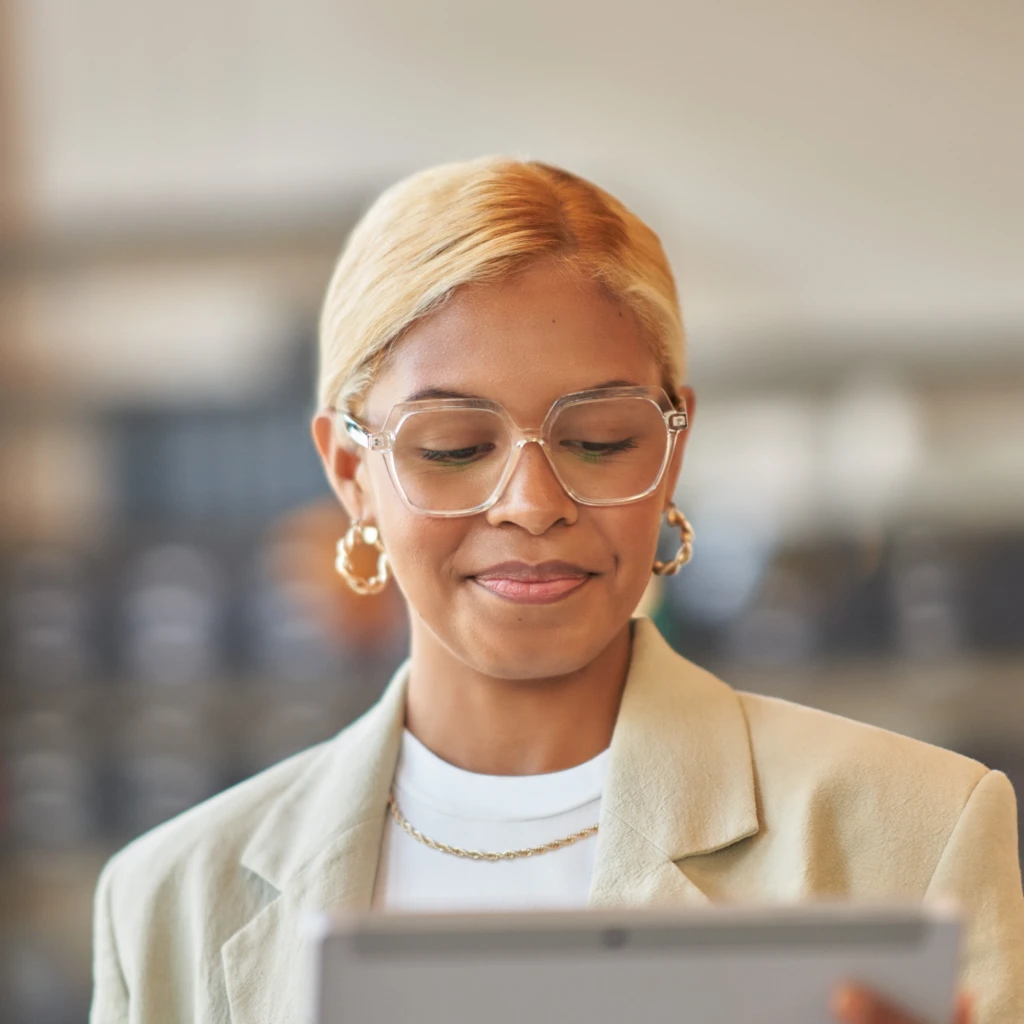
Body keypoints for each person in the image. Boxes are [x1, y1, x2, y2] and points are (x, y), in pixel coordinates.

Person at [89, 157, 1023, 1024]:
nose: (533, 505)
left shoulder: (916, 834)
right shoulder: (171, 903)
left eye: (602, 438)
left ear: (672, 448)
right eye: (454, 447)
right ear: (349, 471)